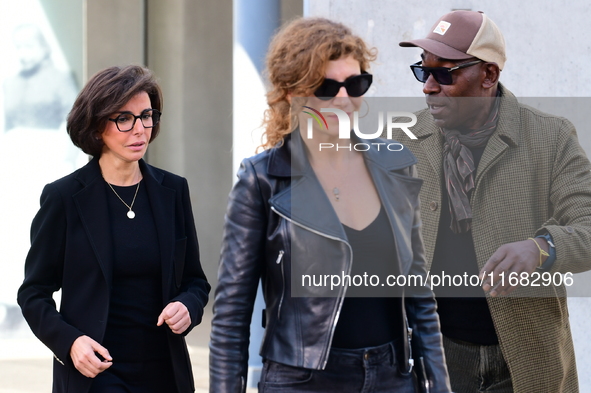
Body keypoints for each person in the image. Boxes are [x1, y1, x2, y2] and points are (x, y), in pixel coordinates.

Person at [210, 17, 451, 393]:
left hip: (393, 377)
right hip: (301, 380)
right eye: (325, 87)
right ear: (292, 94)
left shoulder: (395, 164)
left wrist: (438, 384)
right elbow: (231, 315)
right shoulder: (261, 180)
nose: (343, 99)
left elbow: (420, 295)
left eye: (355, 84)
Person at [396, 10, 591, 393]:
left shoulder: (550, 138)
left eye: (445, 73)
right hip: (436, 358)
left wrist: (542, 248)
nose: (429, 87)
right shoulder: (406, 140)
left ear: (488, 75)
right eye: (424, 71)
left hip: (527, 358)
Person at [17, 65, 210, 393]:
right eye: (124, 118)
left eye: (147, 115)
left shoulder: (173, 191)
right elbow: (33, 294)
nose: (140, 129)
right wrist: (71, 343)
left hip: (165, 373)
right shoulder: (64, 197)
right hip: (96, 376)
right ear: (95, 128)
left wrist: (188, 306)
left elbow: (195, 281)